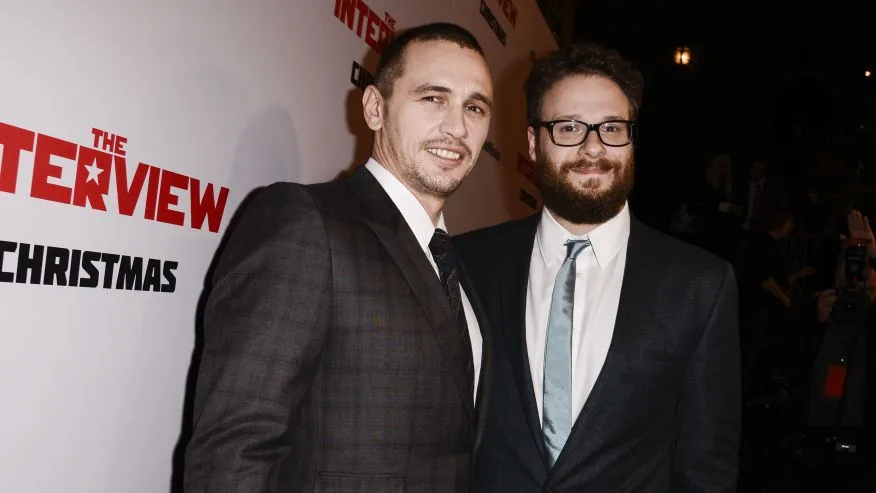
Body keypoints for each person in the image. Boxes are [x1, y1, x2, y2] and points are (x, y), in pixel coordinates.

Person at [184, 22, 494, 492]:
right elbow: (233, 450)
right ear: (375, 108)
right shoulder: (307, 223)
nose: (457, 127)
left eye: (475, 107)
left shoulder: (455, 264)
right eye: (433, 98)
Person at [455, 41, 740, 492]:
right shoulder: (467, 263)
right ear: (533, 143)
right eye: (568, 127)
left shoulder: (701, 285)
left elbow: (707, 470)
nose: (593, 147)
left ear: (632, 140)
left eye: (611, 128)